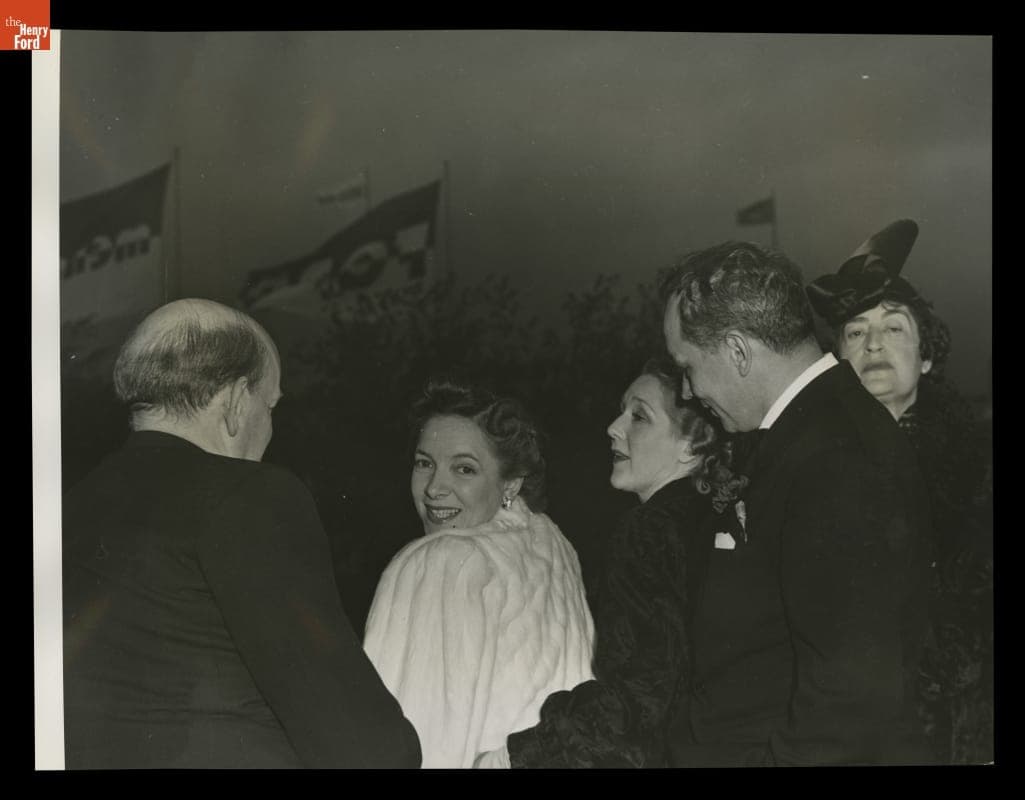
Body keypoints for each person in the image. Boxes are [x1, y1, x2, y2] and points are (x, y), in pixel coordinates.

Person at [62, 298, 421, 769]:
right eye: (270, 406)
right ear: (234, 404)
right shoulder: (251, 496)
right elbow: (362, 744)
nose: (270, 427)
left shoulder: (71, 505)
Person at [660, 241, 934, 766]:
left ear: (738, 351)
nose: (689, 392)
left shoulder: (838, 456)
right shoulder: (806, 433)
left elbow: (847, 708)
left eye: (687, 367)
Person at [471, 357, 744, 768]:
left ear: (692, 446)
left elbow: (642, 696)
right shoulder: (712, 521)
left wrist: (514, 756)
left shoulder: (649, 530)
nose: (613, 428)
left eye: (639, 416)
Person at [807, 220, 993, 764]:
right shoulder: (810, 473)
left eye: (894, 329)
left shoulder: (977, 470)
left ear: (926, 356)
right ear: (839, 362)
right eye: (856, 332)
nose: (874, 344)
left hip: (957, 725)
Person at [362, 378, 595, 768]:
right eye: (424, 464)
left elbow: (403, 745)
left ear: (511, 482)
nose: (435, 488)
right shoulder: (553, 547)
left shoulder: (441, 563)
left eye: (464, 469)